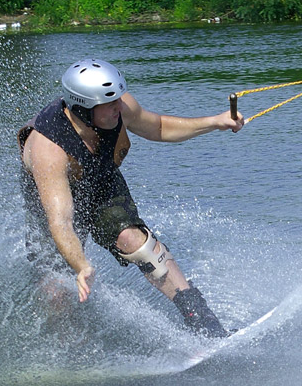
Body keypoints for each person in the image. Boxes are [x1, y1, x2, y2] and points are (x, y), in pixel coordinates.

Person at [17, 59, 244, 338]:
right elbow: (61, 220)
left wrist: (215, 122)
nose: (119, 107)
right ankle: (67, 348)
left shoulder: (118, 107)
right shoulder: (48, 149)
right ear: (83, 108)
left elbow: (158, 127)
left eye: (117, 99)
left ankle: (205, 324)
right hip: (52, 203)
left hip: (100, 183)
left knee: (137, 242)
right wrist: (81, 265)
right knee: (55, 288)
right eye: (109, 104)